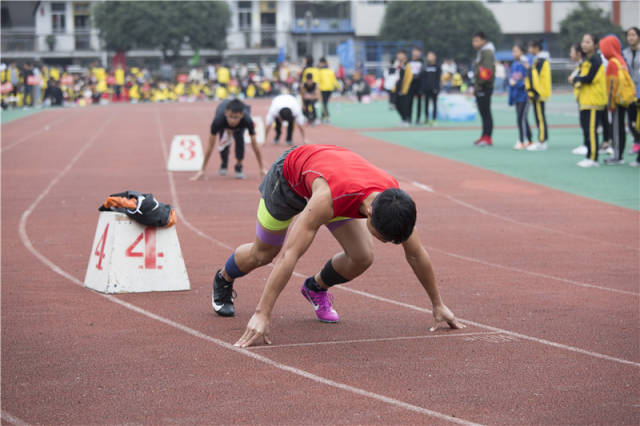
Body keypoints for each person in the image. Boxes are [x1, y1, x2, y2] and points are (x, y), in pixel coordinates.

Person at [206, 144, 465, 347]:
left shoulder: (393, 201)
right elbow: (289, 255)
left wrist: (437, 303)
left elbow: (416, 254)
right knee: (264, 253)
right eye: (384, 238)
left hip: (334, 179)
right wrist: (262, 314)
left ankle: (315, 288)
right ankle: (224, 277)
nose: (386, 243)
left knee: (362, 256)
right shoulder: (329, 199)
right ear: (371, 213)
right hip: (288, 180)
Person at [192, 99, 265, 180]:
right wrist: (202, 169)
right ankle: (224, 163)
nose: (232, 121)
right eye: (230, 117)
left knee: (240, 140)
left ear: (241, 115)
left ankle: (238, 166)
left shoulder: (247, 120)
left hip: (240, 127)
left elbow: (255, 146)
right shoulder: (218, 120)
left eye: (235, 117)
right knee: (222, 143)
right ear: (226, 113)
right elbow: (210, 146)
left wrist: (262, 168)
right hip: (223, 125)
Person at [570, 33, 607, 168]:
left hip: (594, 101)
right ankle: (589, 155)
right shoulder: (586, 61)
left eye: (588, 42)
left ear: (595, 45)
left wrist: (576, 79)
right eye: (583, 41)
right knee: (587, 128)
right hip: (585, 100)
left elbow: (588, 78)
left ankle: (593, 158)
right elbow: (581, 76)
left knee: (592, 130)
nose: (584, 44)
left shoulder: (596, 60)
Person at [600, 35, 637, 165]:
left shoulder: (612, 63)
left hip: (617, 100)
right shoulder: (621, 60)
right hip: (627, 97)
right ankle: (619, 153)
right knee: (625, 127)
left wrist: (610, 104)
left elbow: (611, 85)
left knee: (617, 128)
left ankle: (617, 155)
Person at [525, 40, 552, 151]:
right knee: (539, 117)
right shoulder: (539, 60)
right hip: (539, 92)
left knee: (540, 118)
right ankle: (542, 139)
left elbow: (535, 77)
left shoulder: (540, 61)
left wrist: (533, 92)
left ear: (536, 48)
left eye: (530, 47)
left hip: (539, 93)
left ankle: (542, 141)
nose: (529, 50)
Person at [472, 31, 496, 147]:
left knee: (486, 112)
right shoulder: (481, 52)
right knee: (483, 112)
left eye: (476, 40)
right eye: (473, 40)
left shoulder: (487, 52)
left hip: (484, 86)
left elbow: (486, 71)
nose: (474, 43)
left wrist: (481, 85)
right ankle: (483, 135)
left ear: (483, 41)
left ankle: (487, 137)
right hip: (480, 86)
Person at [508, 44, 532, 150]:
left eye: (516, 51)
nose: (514, 53)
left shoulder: (526, 64)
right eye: (513, 51)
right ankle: (529, 140)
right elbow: (512, 79)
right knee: (522, 119)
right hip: (517, 96)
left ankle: (523, 141)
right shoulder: (514, 65)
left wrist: (517, 84)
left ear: (522, 52)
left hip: (524, 96)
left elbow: (528, 80)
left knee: (521, 118)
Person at [622, 27, 640, 159]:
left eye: (633, 35)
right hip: (629, 91)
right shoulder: (625, 53)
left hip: (639, 89)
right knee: (631, 120)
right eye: (628, 35)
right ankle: (636, 141)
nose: (631, 38)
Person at [394, 50, 413, 126]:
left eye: (400, 54)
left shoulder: (407, 65)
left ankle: (406, 119)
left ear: (404, 55)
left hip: (405, 88)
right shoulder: (396, 65)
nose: (399, 56)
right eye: (398, 54)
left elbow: (408, 77)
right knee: (397, 104)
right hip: (397, 87)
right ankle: (403, 118)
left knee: (405, 105)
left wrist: (405, 89)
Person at [422, 51, 441, 125]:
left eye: (431, 56)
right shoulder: (425, 67)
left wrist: (437, 88)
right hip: (427, 89)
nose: (430, 57)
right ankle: (426, 119)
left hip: (434, 89)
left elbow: (438, 79)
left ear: (434, 57)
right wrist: (423, 88)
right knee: (426, 104)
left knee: (434, 104)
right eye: (428, 56)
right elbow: (423, 78)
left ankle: (434, 119)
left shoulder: (437, 67)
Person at [317, 57, 338, 123]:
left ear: (322, 63)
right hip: (330, 89)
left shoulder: (320, 71)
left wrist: (317, 89)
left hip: (323, 89)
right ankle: (322, 117)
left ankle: (328, 117)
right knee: (325, 103)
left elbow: (318, 81)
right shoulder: (330, 71)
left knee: (324, 104)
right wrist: (338, 87)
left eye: (320, 63)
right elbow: (334, 80)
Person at [408, 46, 425, 125]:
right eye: (415, 51)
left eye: (418, 51)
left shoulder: (422, 61)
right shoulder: (409, 61)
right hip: (410, 83)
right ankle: (409, 118)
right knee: (409, 102)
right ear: (412, 52)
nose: (416, 53)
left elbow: (423, 72)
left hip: (419, 83)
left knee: (419, 103)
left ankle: (418, 119)